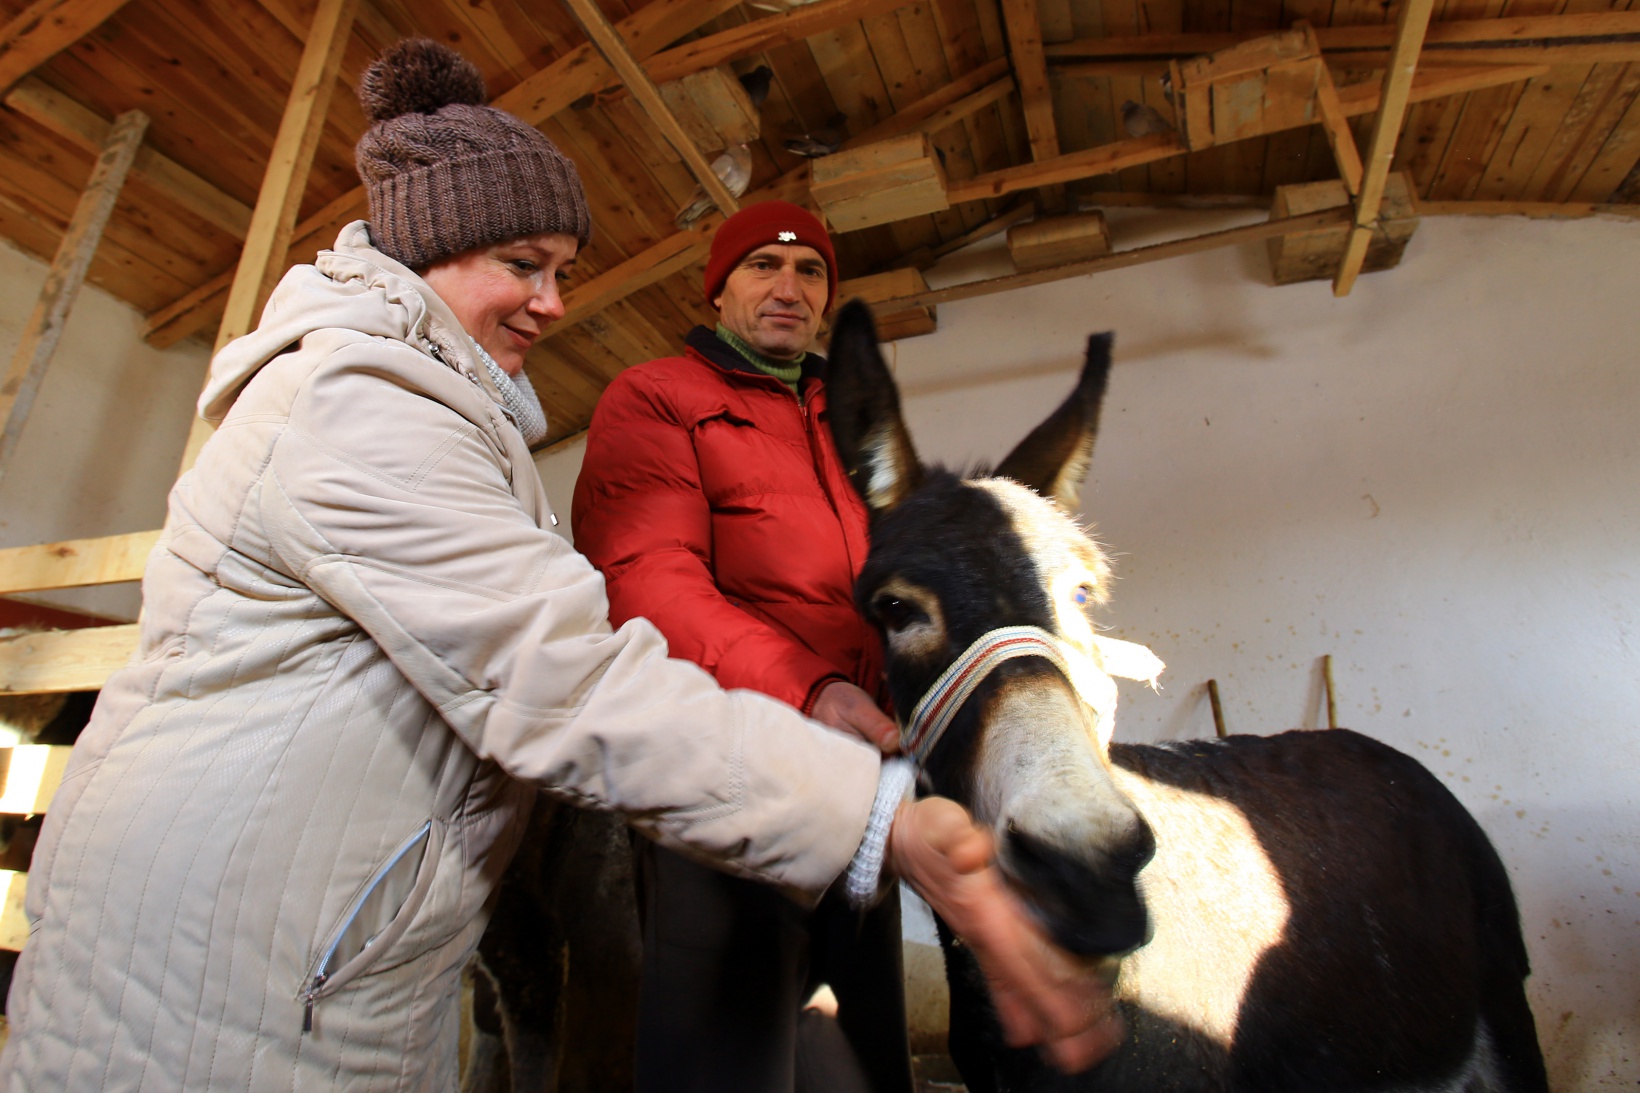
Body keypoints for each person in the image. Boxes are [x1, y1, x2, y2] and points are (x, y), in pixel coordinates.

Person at [0, 40, 1120, 1093]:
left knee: (855, 1050)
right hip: (278, 930)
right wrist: (844, 756)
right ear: (716, 290)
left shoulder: (815, 423)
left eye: (563, 269)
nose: (554, 300)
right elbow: (588, 646)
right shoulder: (376, 407)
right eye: (522, 264)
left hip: (726, 800)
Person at [570, 201, 904, 1091]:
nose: (787, 287)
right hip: (731, 769)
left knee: (860, 1056)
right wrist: (814, 687)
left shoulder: (858, 417)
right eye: (762, 266)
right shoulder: (655, 397)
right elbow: (647, 579)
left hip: (867, 773)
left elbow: (903, 578)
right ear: (718, 288)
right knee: (729, 1058)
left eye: (809, 273)